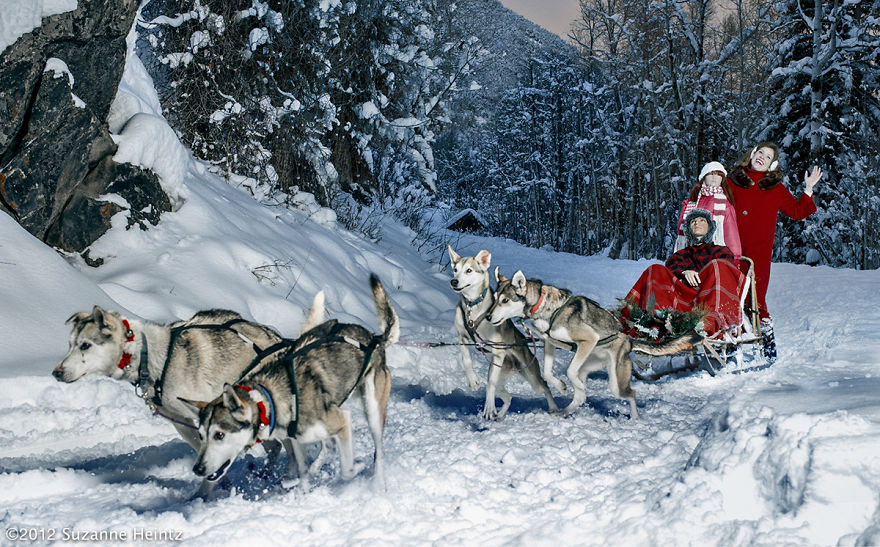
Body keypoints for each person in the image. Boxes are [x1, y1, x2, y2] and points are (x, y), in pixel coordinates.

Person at [727, 142, 821, 363]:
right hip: (731, 250)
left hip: (758, 254)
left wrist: (808, 189)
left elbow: (798, 211)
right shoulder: (732, 182)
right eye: (760, 152)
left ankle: (767, 342)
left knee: (756, 299)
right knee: (728, 296)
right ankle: (728, 345)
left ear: (772, 165)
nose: (762, 157)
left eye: (768, 156)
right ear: (752, 154)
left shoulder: (775, 188)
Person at [623, 209, 747, 336]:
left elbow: (726, 273)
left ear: (710, 227)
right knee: (655, 268)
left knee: (718, 265)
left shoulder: (721, 251)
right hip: (683, 300)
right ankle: (655, 321)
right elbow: (671, 268)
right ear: (688, 229)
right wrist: (684, 272)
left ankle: (709, 323)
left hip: (709, 299)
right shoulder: (680, 255)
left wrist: (702, 274)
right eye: (693, 221)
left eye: (702, 220)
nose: (697, 223)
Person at [673, 161, 742, 261]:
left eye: (718, 175)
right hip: (690, 254)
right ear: (703, 177)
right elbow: (682, 228)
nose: (714, 177)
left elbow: (731, 234)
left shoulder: (725, 205)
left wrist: (735, 258)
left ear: (722, 179)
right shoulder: (690, 203)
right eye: (711, 174)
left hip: (714, 254)